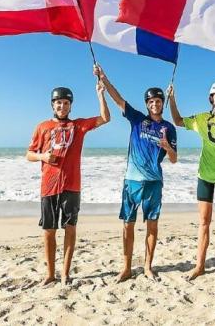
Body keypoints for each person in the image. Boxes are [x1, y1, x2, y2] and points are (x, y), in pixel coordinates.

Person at [93, 65, 177, 282]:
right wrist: (104, 78)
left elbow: (174, 159)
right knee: (127, 224)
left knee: (152, 224)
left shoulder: (168, 128)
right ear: (147, 104)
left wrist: (167, 147)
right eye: (151, 102)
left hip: (154, 182)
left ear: (162, 103)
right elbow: (118, 99)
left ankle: (148, 267)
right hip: (132, 180)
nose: (155, 104)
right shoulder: (138, 119)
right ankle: (127, 267)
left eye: (158, 101)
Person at [26, 83, 110, 285]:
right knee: (49, 230)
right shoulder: (42, 127)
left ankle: (65, 273)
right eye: (58, 103)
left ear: (70, 106)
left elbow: (106, 118)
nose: (62, 106)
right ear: (52, 105)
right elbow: (29, 154)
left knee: (70, 228)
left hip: (72, 185)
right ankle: (50, 274)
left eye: (65, 103)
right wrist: (42, 156)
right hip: (49, 185)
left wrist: (100, 94)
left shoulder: (78, 126)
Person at [167, 81, 215, 280]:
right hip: (205, 177)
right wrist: (172, 99)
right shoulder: (202, 119)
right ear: (212, 98)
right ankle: (199, 265)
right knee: (203, 222)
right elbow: (177, 120)